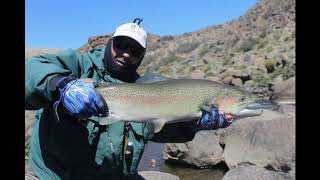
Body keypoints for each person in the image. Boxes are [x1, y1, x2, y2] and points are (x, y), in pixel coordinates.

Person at [25, 18, 233, 180]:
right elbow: (31, 70)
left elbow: (160, 129)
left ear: (141, 56)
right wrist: (61, 84)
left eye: (135, 51)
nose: (126, 54)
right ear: (110, 43)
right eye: (121, 45)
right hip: (53, 175)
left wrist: (194, 123)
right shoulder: (79, 65)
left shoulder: (145, 89)